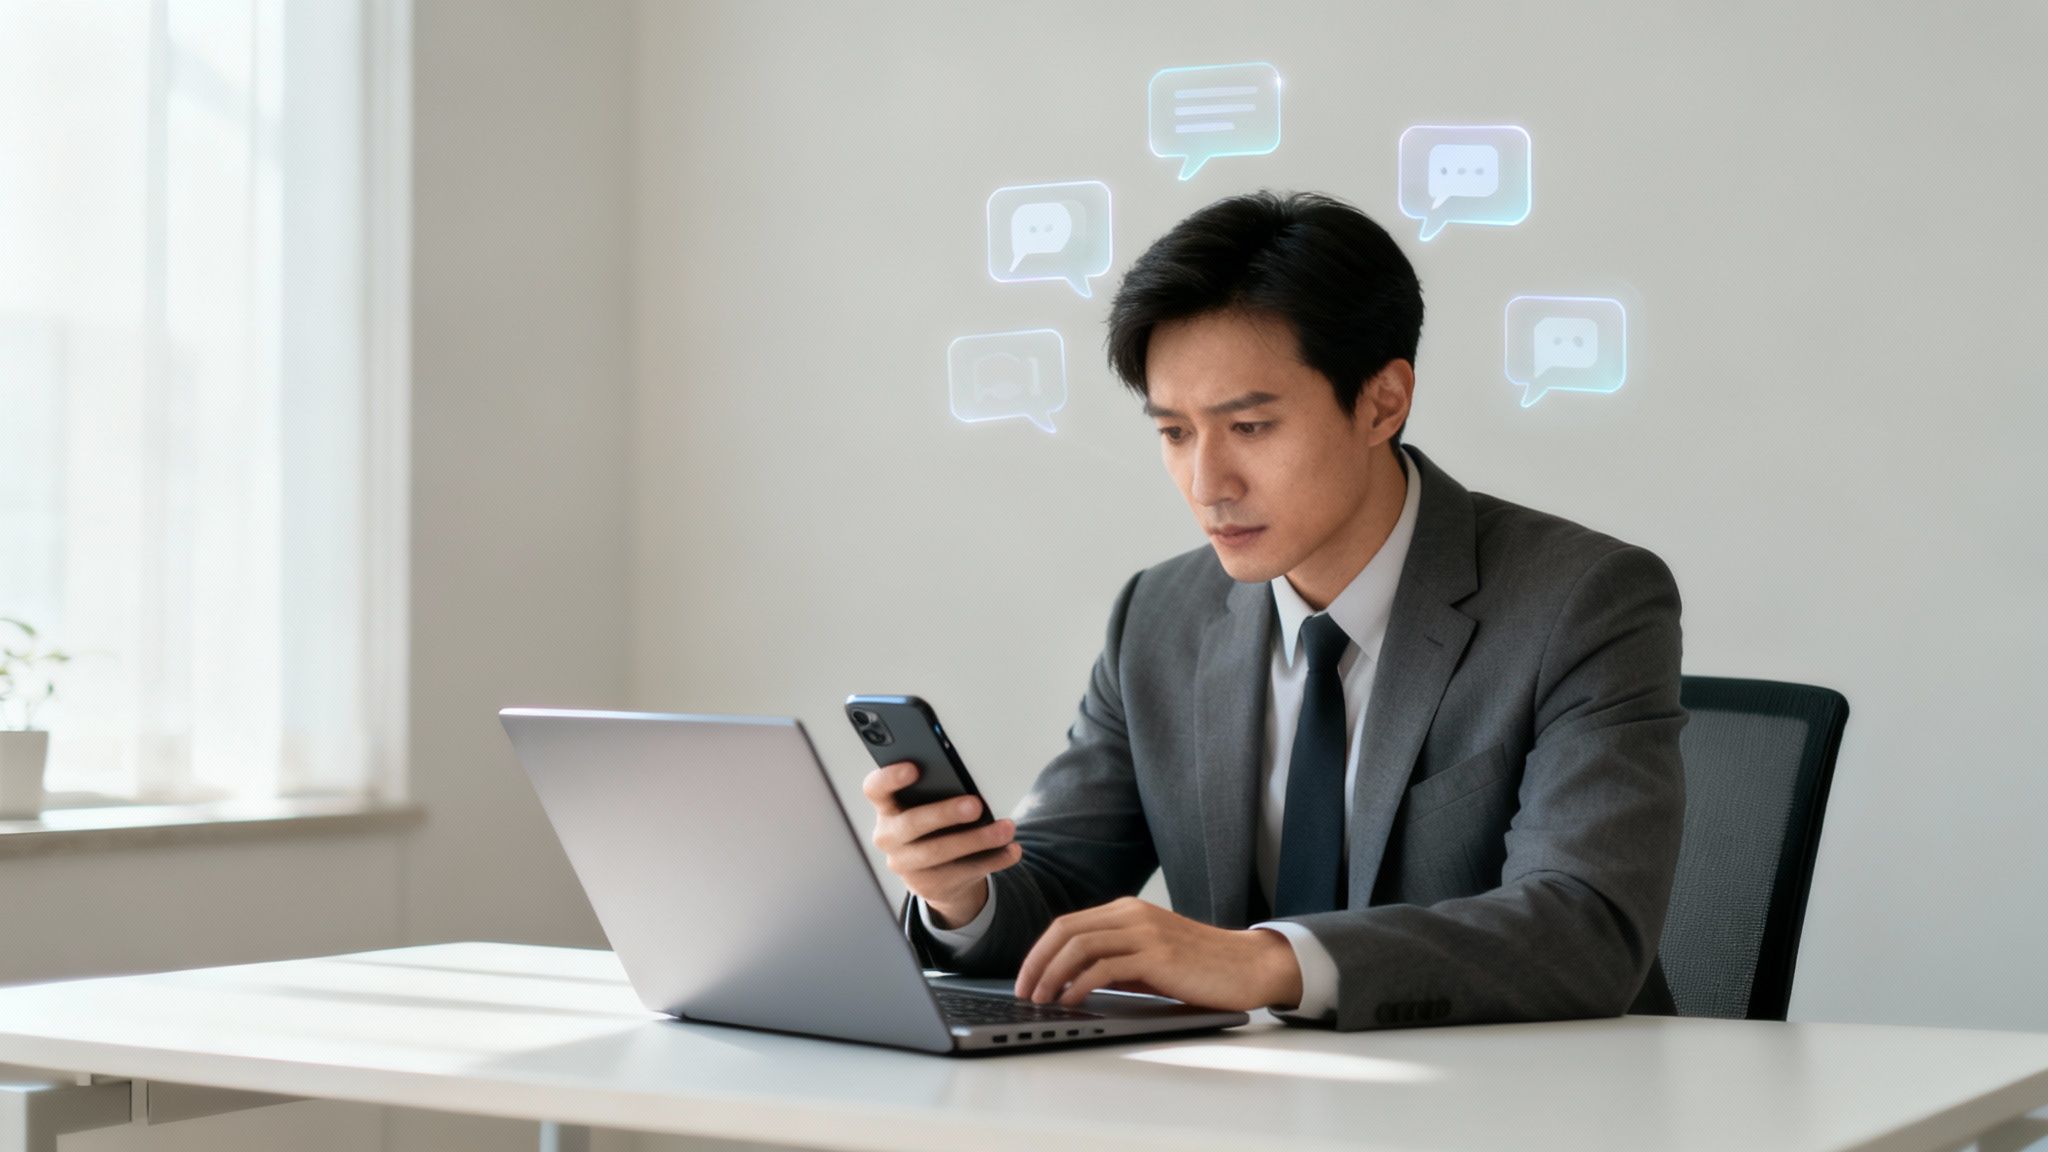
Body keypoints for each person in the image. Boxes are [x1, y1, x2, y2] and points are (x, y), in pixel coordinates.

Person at [863, 191, 1685, 1030]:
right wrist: (961, 897)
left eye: (1249, 426)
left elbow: (1587, 928)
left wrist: (1267, 961)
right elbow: (1052, 897)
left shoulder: (1583, 601)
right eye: (1175, 433)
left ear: (1382, 402)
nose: (1206, 484)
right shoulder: (1159, 616)